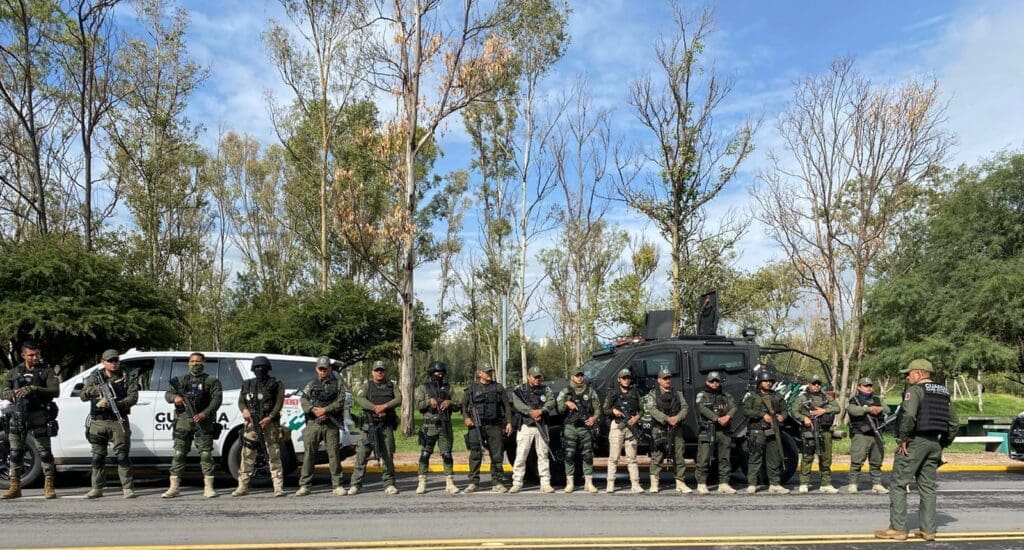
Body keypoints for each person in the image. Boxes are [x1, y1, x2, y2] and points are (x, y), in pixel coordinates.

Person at [876, 359, 958, 542]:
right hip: (934, 443)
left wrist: (904, 438)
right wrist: (943, 443)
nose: (907, 376)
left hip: (915, 442)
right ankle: (928, 530)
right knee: (927, 487)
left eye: (909, 373)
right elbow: (954, 422)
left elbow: (909, 416)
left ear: (919, 373)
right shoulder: (944, 392)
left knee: (898, 484)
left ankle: (897, 529)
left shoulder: (914, 391)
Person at [1, 340, 60, 500]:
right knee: (15, 453)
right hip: (17, 416)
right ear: (23, 355)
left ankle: (49, 485)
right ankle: (15, 487)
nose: (35, 358)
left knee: (44, 452)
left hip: (38, 415)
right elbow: (3, 389)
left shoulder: (46, 371)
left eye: (37, 354)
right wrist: (7, 392)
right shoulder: (14, 372)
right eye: (31, 355)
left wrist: (34, 389)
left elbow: (55, 391)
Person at [162, 352, 223, 498]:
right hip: (183, 421)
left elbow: (217, 399)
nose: (195, 364)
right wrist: (174, 397)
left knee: (206, 454)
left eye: (198, 361)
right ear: (188, 363)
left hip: (203, 422)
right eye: (192, 361)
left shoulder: (211, 381)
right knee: (179, 453)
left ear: (204, 363)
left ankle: (208, 488)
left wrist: (204, 414)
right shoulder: (180, 380)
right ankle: (174, 487)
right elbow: (167, 394)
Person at [80, 349, 140, 499]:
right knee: (97, 456)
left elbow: (133, 397)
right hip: (98, 421)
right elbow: (83, 395)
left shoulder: (127, 377)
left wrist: (116, 404)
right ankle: (97, 488)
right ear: (103, 362)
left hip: (118, 421)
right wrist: (96, 391)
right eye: (110, 361)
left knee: (122, 456)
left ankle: (127, 488)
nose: (113, 363)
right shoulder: (95, 377)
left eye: (115, 360)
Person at [232, 356, 286, 497]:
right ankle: (243, 486)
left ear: (268, 368)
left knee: (273, 454)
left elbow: (279, 403)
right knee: (247, 454)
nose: (260, 369)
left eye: (262, 367)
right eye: (257, 367)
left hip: (270, 424)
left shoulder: (276, 383)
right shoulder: (248, 384)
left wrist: (270, 417)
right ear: (253, 369)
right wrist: (244, 410)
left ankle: (278, 487)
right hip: (252, 424)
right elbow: (241, 401)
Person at [295, 356, 347, 496]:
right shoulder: (311, 384)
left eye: (325, 368)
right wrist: (314, 410)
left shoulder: (338, 384)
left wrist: (326, 410)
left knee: (334, 454)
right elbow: (303, 400)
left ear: (330, 368)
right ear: (317, 369)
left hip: (331, 423)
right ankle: (305, 485)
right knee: (309, 455)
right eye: (321, 368)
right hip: (314, 424)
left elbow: (341, 401)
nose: (323, 371)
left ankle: (337, 485)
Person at [350, 361, 402, 495]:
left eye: (382, 370)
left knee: (387, 455)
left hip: (385, 426)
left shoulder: (392, 385)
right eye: (377, 370)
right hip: (368, 426)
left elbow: (399, 399)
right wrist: (374, 408)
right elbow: (360, 398)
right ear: (372, 372)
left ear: (385, 372)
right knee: (361, 455)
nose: (379, 372)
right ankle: (355, 484)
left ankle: (389, 483)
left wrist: (384, 406)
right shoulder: (367, 385)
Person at [460, 365, 512, 493]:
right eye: (487, 372)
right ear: (480, 373)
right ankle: (473, 482)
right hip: (476, 426)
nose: (489, 374)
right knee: (475, 454)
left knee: (497, 455)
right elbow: (463, 406)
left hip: (494, 425)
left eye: (490, 372)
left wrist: (509, 422)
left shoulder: (498, 388)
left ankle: (497, 482)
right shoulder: (472, 388)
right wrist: (466, 418)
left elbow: (507, 406)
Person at [414, 360, 461, 494]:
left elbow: (458, 404)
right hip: (429, 425)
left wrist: (450, 402)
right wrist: (429, 401)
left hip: (445, 424)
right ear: (431, 373)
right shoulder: (423, 388)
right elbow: (418, 405)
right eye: (436, 372)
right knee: (425, 454)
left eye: (441, 372)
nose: (439, 374)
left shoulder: (448, 388)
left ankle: (449, 482)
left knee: (447, 454)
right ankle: (422, 481)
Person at [790, 373, 840, 493]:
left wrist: (824, 410)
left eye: (818, 383)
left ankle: (826, 484)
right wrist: (804, 418)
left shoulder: (826, 397)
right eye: (814, 383)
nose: (816, 385)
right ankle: (804, 483)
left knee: (826, 458)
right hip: (809, 431)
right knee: (807, 457)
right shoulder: (802, 398)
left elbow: (837, 408)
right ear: (809, 384)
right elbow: (794, 411)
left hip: (825, 431)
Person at [644, 366, 691, 494]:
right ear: (659, 380)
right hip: (660, 428)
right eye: (664, 378)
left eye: (669, 378)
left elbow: (685, 408)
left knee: (679, 455)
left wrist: (677, 418)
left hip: (676, 427)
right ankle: (654, 483)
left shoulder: (678, 393)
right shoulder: (653, 394)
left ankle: (680, 482)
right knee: (657, 455)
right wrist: (666, 419)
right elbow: (652, 409)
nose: (667, 380)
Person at [509, 366, 556, 493]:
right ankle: (517, 482)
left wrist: (541, 410)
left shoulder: (546, 389)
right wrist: (530, 412)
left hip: (542, 425)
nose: (537, 379)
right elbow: (517, 404)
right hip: (526, 425)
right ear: (529, 376)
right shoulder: (520, 389)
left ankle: (545, 483)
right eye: (535, 377)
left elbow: (551, 402)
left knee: (543, 455)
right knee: (521, 455)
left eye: (539, 377)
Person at [742, 370, 790, 494]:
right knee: (755, 457)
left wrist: (782, 416)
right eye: (765, 381)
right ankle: (752, 484)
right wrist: (762, 414)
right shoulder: (752, 396)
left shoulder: (777, 396)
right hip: (757, 431)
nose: (768, 383)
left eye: (770, 381)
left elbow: (785, 410)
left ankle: (774, 484)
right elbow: (745, 411)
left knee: (774, 458)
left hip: (773, 430)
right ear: (759, 382)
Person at [556, 366, 601, 493]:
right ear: (572, 377)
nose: (580, 378)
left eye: (581, 375)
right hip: (570, 427)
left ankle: (589, 483)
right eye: (577, 376)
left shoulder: (590, 391)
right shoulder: (566, 391)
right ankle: (570, 483)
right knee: (569, 454)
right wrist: (566, 403)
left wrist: (594, 418)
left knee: (588, 455)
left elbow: (598, 408)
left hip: (585, 427)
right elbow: (559, 409)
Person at [694, 371, 738, 495]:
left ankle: (724, 483)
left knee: (725, 458)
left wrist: (728, 416)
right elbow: (702, 408)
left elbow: (734, 407)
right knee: (704, 457)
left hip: (723, 430)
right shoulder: (702, 395)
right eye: (712, 381)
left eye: (717, 381)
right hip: (708, 429)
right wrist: (717, 418)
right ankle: (701, 483)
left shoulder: (725, 395)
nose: (714, 383)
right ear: (707, 382)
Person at [847, 377, 890, 494]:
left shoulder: (877, 399)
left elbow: (887, 409)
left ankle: (877, 484)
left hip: (877, 433)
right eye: (866, 386)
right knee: (857, 461)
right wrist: (868, 409)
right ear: (859, 387)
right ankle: (853, 483)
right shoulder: (855, 400)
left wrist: (879, 409)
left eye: (870, 386)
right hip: (861, 434)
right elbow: (852, 410)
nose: (869, 388)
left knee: (876, 461)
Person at [603, 368, 644, 494]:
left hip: (631, 427)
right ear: (619, 380)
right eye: (624, 378)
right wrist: (613, 411)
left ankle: (635, 484)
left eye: (628, 378)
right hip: (617, 426)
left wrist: (637, 417)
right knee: (614, 457)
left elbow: (642, 410)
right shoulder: (613, 394)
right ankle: (610, 483)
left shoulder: (635, 392)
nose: (626, 380)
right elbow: (605, 410)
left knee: (632, 457)